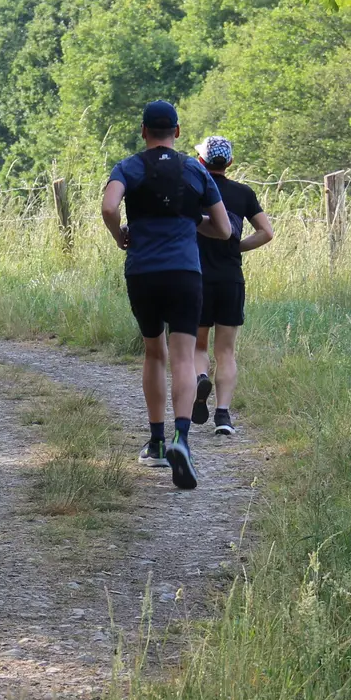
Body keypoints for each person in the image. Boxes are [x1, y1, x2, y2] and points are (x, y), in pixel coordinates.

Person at [102, 100, 231, 490]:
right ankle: (181, 439)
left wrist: (120, 234)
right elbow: (224, 229)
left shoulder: (129, 167)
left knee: (154, 353)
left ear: (143, 131)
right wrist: (192, 219)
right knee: (183, 358)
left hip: (142, 272)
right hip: (185, 274)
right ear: (177, 132)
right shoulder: (195, 169)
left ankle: (156, 442)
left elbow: (109, 207)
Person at [191, 135, 274, 435]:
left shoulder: (192, 191)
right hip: (230, 278)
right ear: (230, 162)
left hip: (195, 277)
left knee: (198, 345)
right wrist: (237, 246)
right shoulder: (243, 193)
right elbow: (266, 232)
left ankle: (201, 378)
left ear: (201, 161)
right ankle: (223, 416)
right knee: (226, 351)